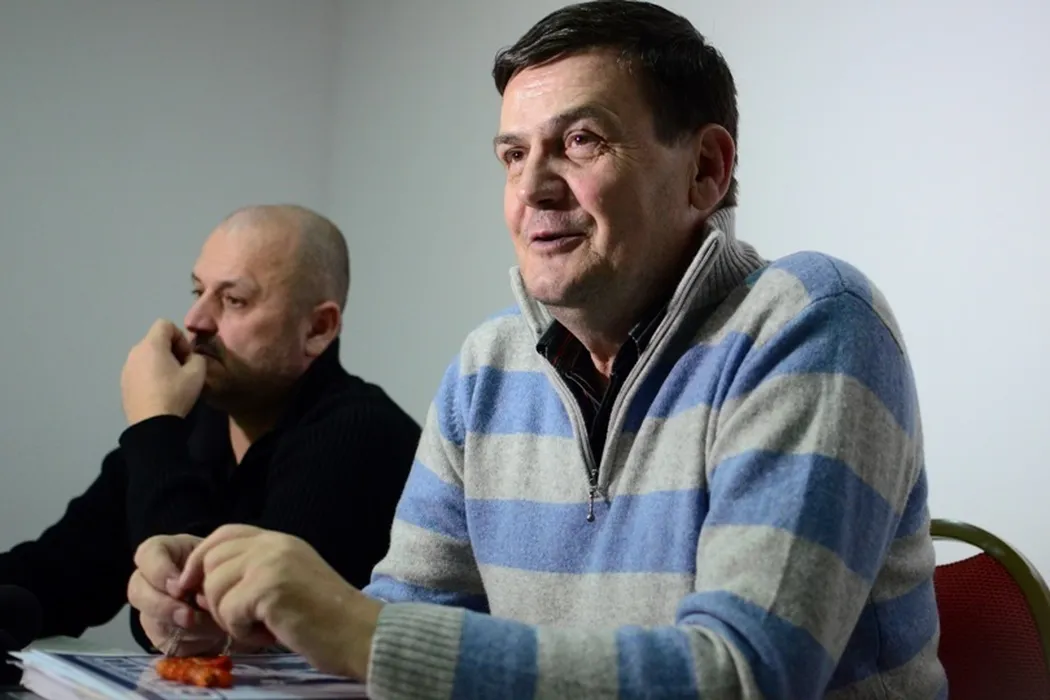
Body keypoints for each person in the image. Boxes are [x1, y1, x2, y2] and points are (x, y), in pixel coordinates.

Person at [128, 3, 947, 698]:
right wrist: (247, 618)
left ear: (705, 169)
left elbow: (744, 676)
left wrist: (356, 629)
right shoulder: (486, 368)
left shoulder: (810, 322)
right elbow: (409, 632)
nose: (532, 188)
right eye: (514, 154)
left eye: (581, 141)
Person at [0, 204, 420, 655]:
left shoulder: (361, 434)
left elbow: (197, 622)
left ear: (317, 328)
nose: (195, 320)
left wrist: (153, 425)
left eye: (233, 300)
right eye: (198, 290)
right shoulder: (197, 422)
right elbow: (55, 577)